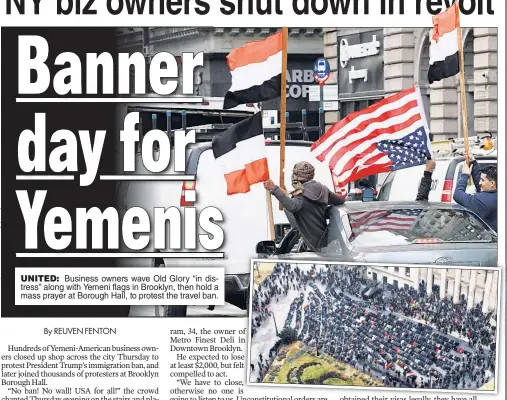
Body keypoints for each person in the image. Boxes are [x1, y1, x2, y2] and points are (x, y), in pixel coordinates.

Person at [263, 161, 345, 252]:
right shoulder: (323, 189)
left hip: (316, 248)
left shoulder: (300, 197)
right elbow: (340, 201)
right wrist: (326, 212)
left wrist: (274, 189)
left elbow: (292, 206)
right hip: (330, 245)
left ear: (296, 176)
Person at [453, 156, 497, 232]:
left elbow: (458, 195)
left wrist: (464, 175)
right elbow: (480, 186)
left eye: (482, 180)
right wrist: (473, 162)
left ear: (492, 183)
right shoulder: (494, 195)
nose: (479, 182)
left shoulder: (484, 201)